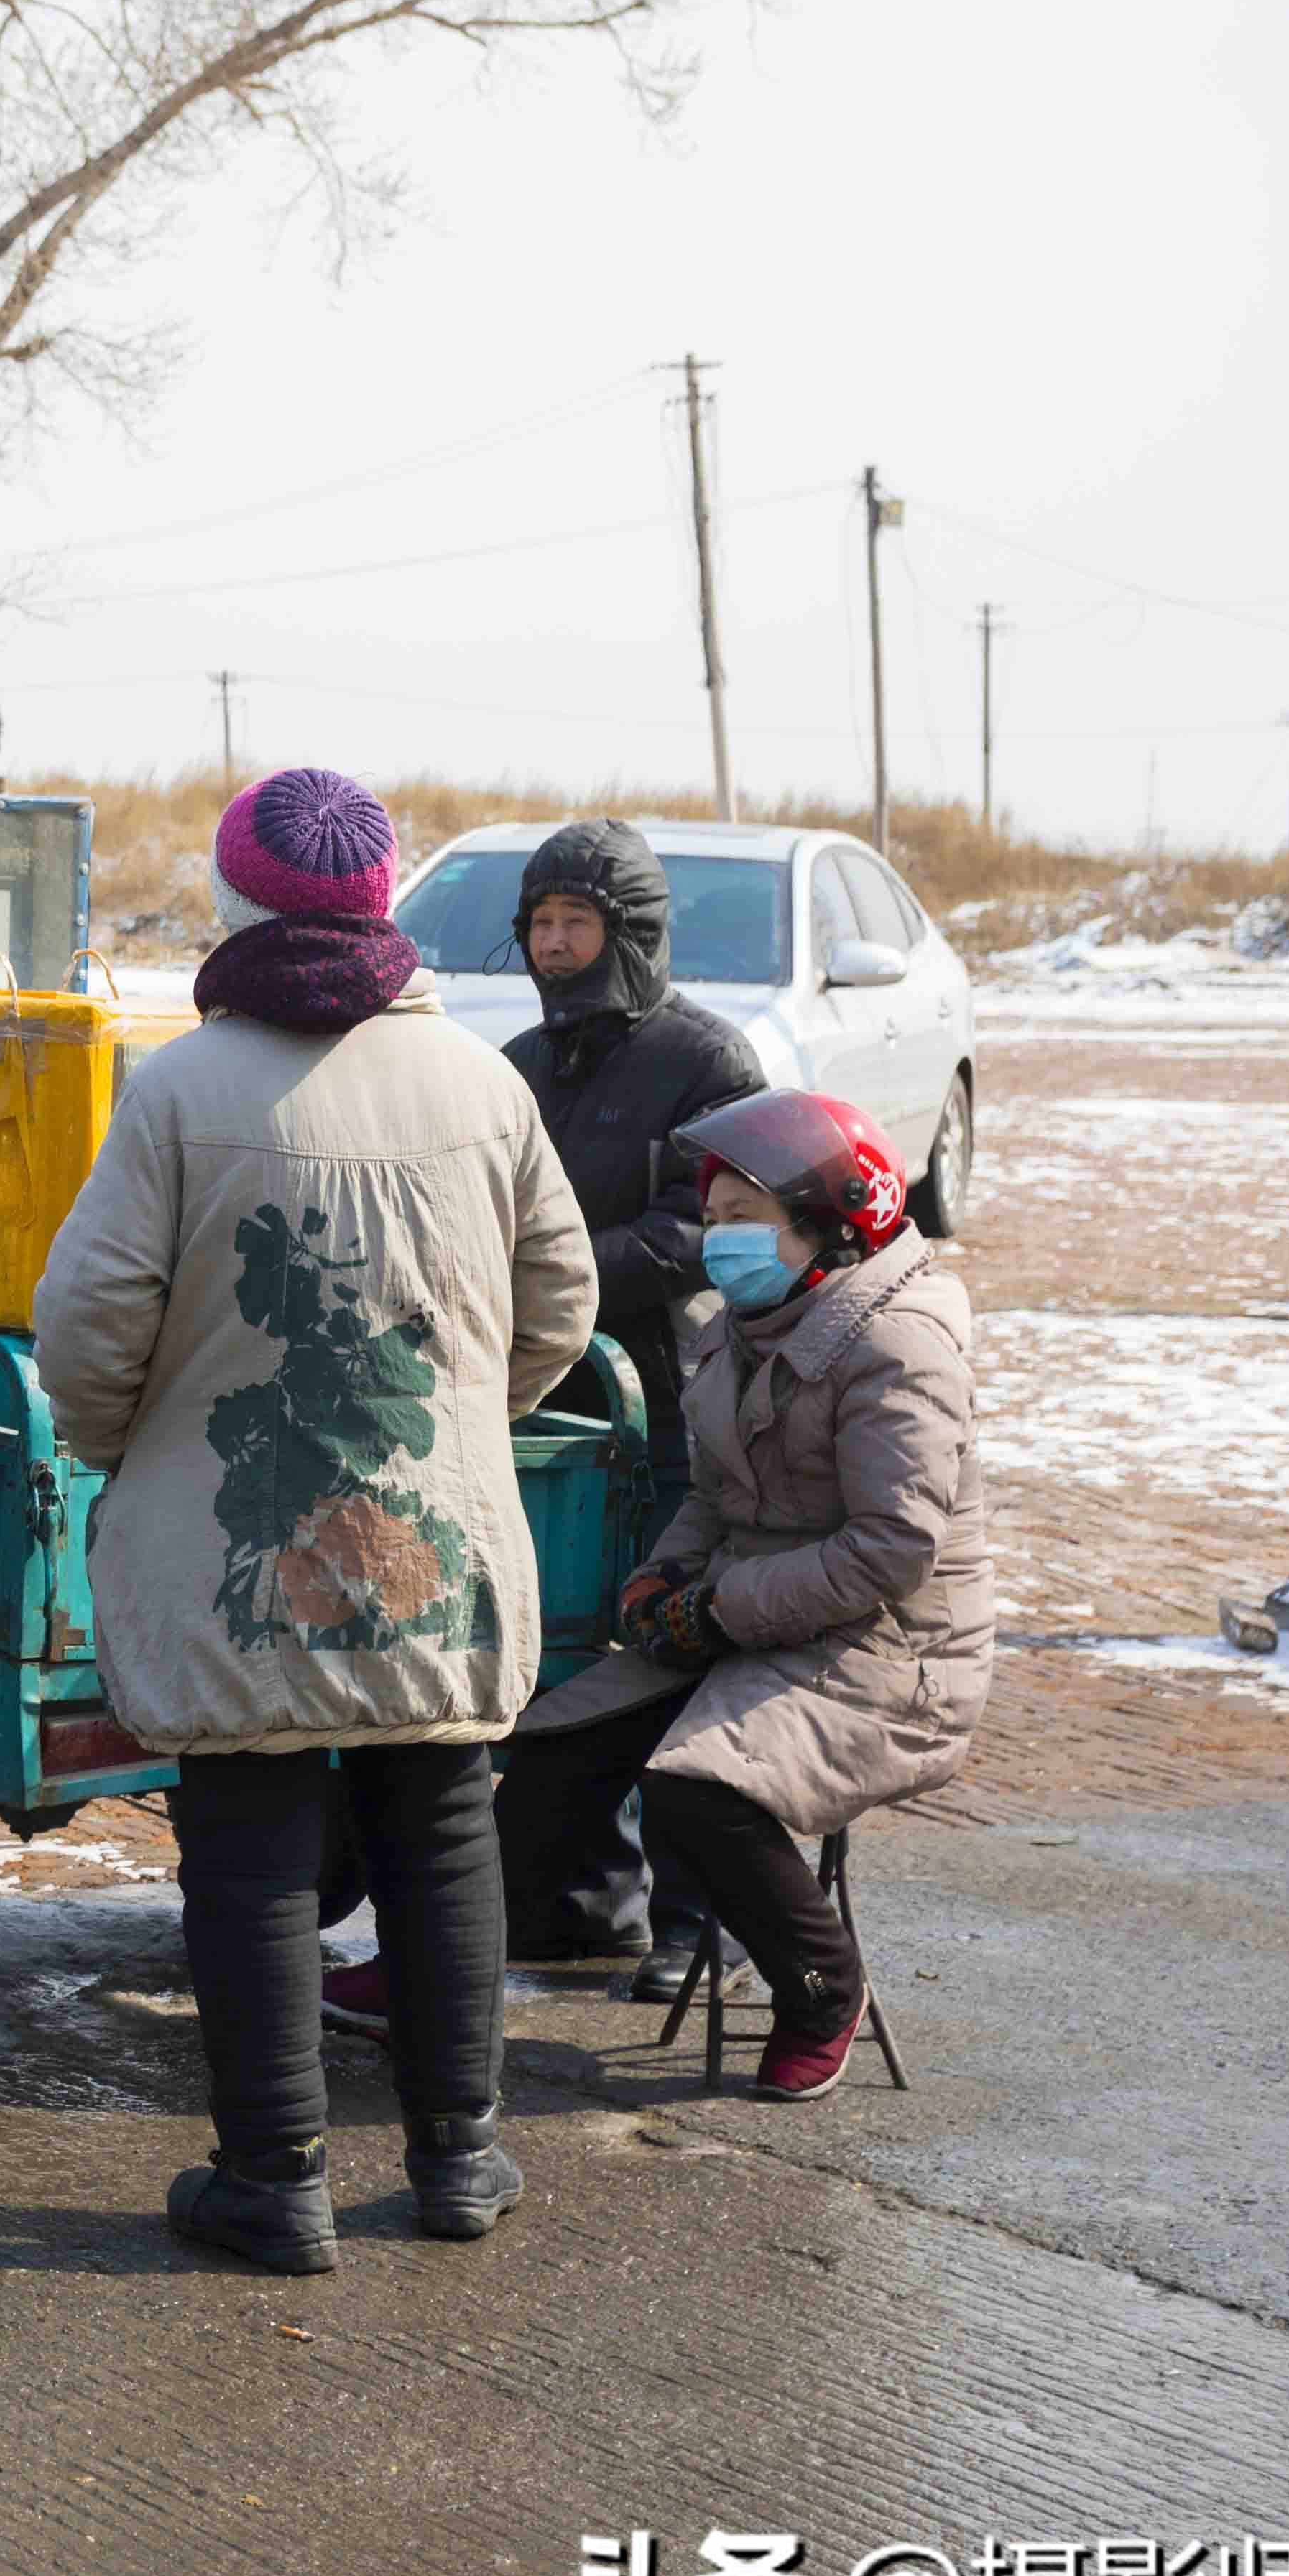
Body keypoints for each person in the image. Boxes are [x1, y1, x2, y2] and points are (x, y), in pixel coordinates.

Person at [32, 769, 596, 2275]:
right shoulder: (484, 1086)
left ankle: (274, 2178)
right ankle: (461, 2154)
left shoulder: (180, 1088)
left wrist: (120, 1453)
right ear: (382, 901)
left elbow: (89, 1325)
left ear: (236, 903)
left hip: (241, 1530)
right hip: (439, 1530)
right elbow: (562, 1305)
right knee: (441, 1814)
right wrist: (463, 1413)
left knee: (249, 1830)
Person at [484, 1090, 987, 2104]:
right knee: (555, 1739)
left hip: (888, 1653)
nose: (721, 1242)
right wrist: (665, 1577)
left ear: (828, 1226)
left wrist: (719, 1607)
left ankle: (820, 1989)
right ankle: (437, 1964)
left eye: (745, 1220)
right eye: (714, 1220)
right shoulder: (742, 1327)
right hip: (757, 1622)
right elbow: (712, 1498)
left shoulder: (898, 1346)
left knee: (699, 1790)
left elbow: (891, 1549)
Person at [496, 817, 767, 1993]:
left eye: (576, 924)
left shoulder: (711, 1063)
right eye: (540, 926)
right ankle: (577, 1902)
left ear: (632, 934)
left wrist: (551, 1275)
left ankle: (705, 1916)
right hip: (550, 1409)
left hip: (672, 1405)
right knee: (562, 1656)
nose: (556, 948)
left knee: (674, 1649)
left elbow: (705, 1232)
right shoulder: (510, 1063)